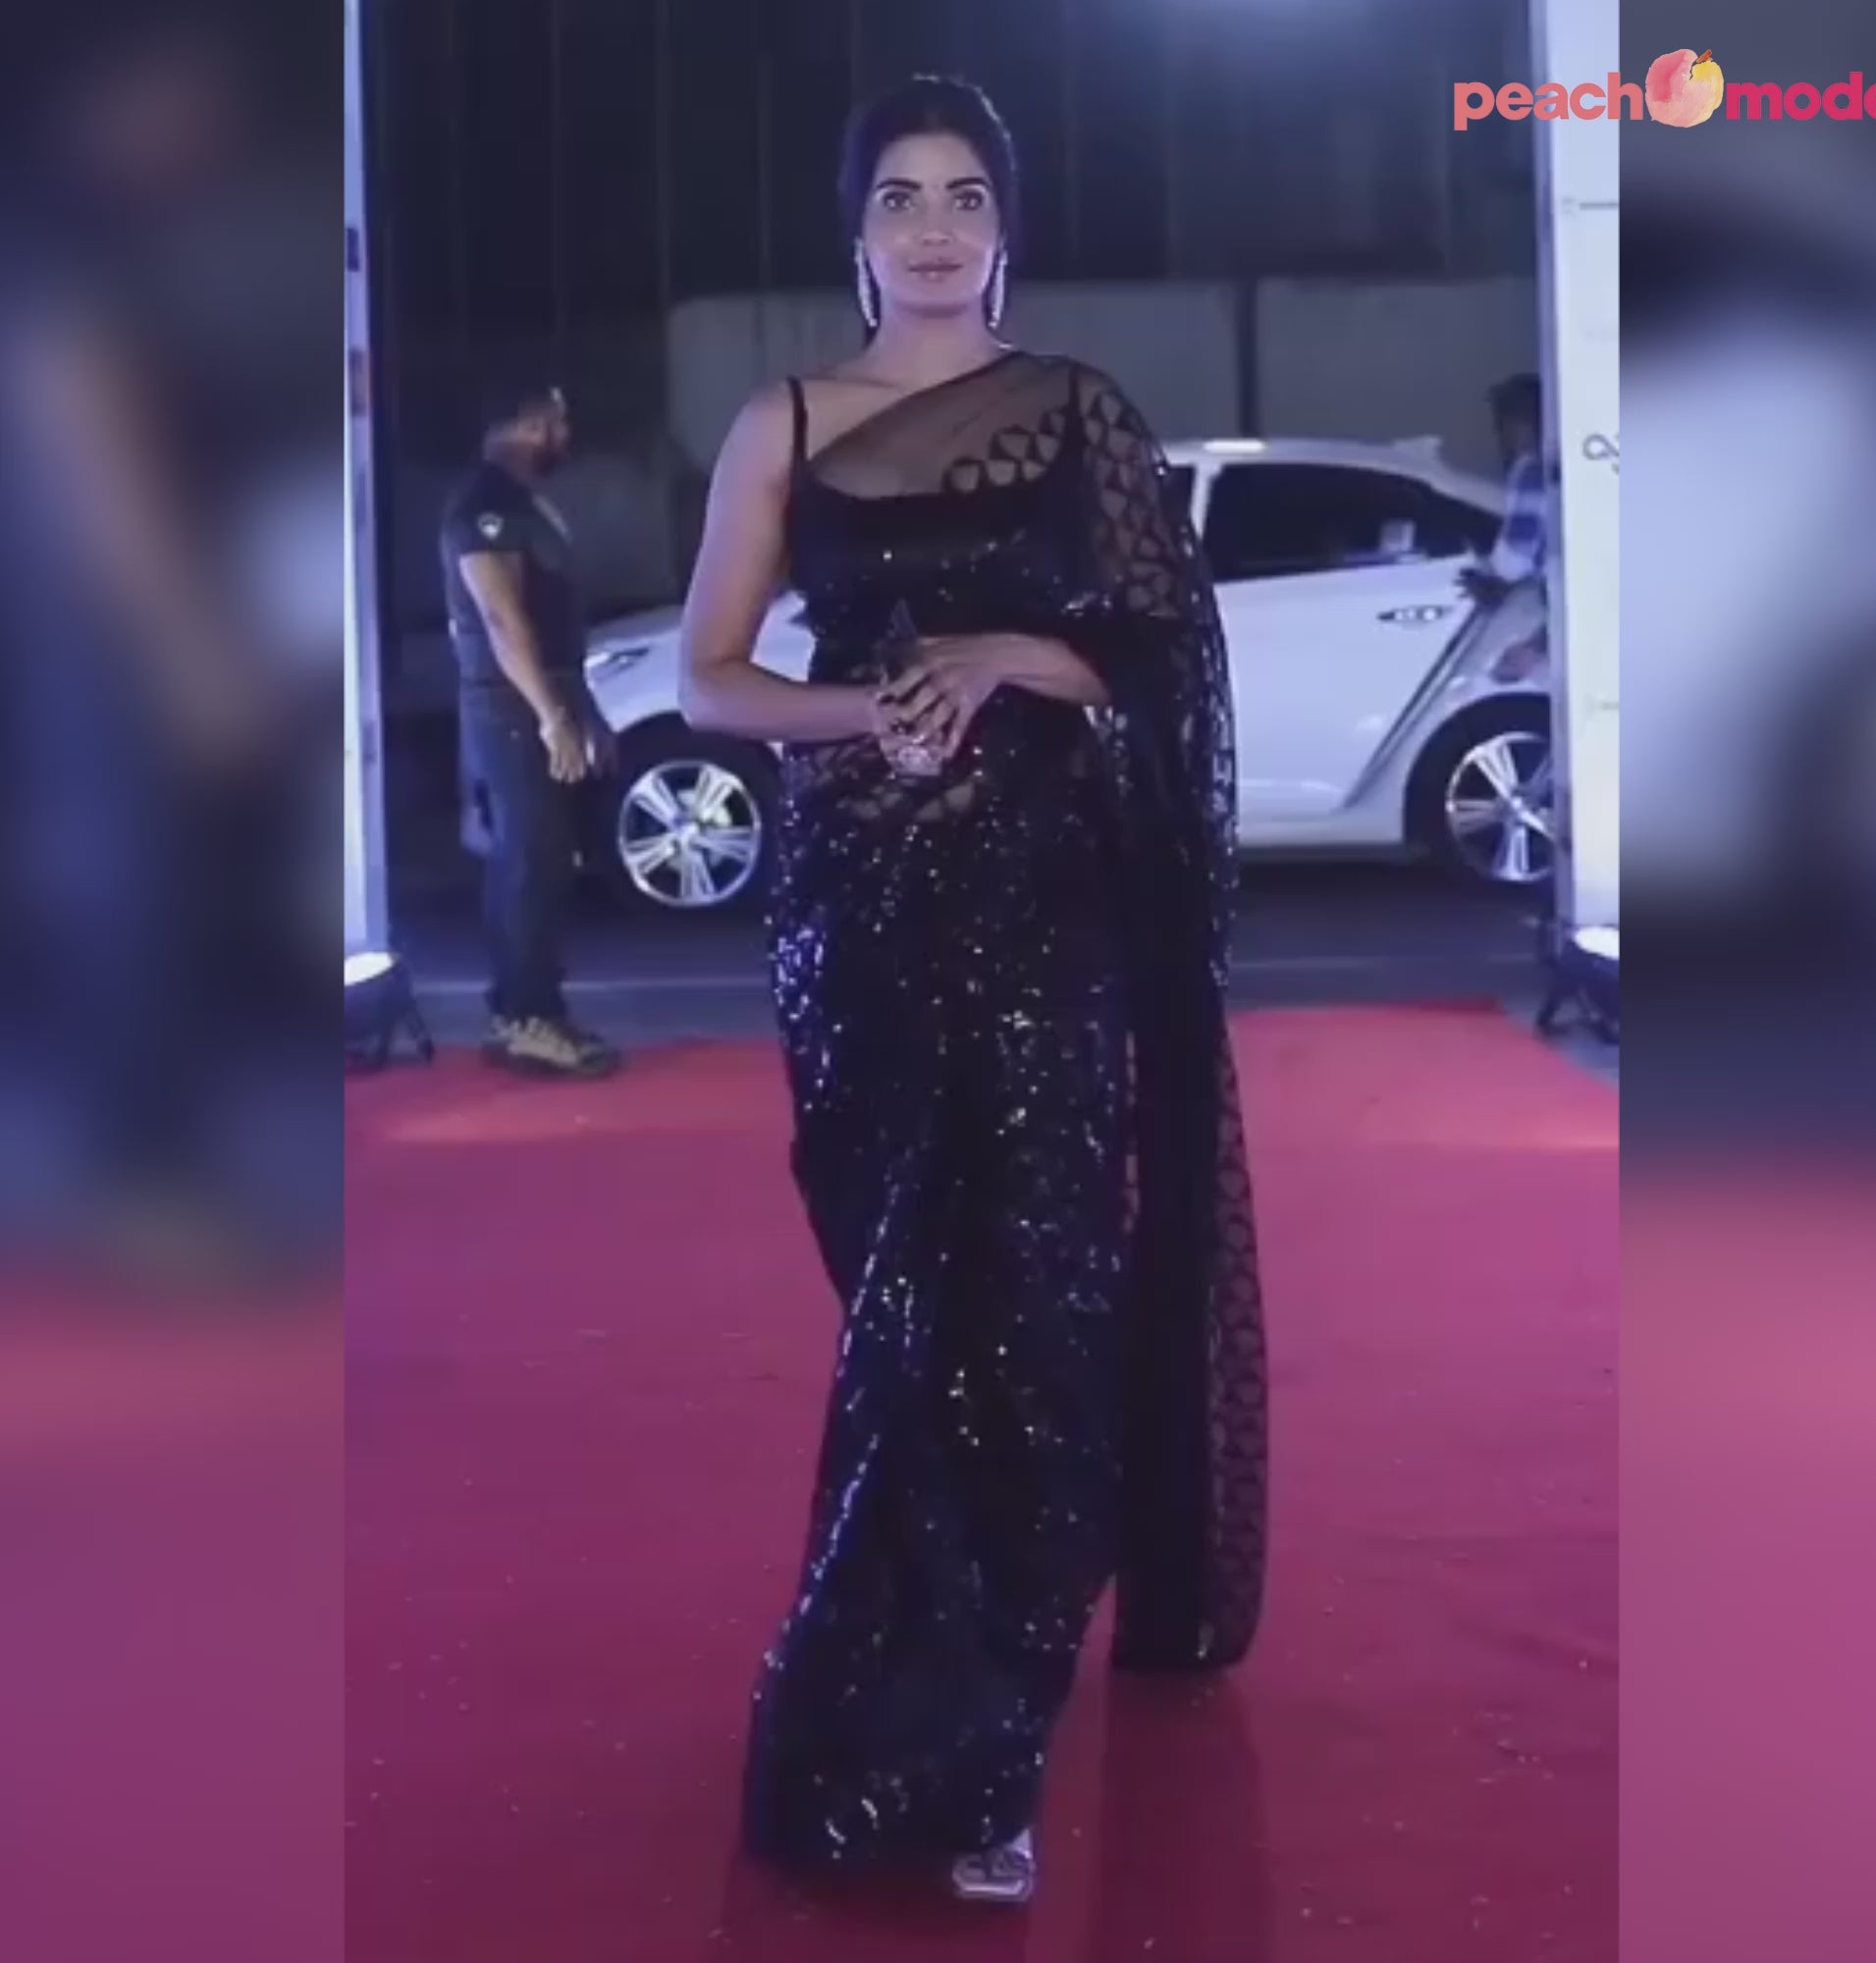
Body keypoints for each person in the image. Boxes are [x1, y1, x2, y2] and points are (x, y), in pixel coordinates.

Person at [678, 75, 1268, 1904]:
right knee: (911, 1324)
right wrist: (871, 708)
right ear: (854, 231)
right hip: (856, 924)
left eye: (963, 197)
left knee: (1041, 1308)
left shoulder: (1078, 411)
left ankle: (985, 1748)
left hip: (1047, 916)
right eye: (900, 198)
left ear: (1004, 227)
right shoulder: (784, 422)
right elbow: (708, 679)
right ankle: (888, 1701)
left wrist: (1014, 648)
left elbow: (1162, 650)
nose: (932, 228)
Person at [441, 379, 619, 1079]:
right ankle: (523, 1018)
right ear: (521, 426)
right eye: (552, 422)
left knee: (544, 861)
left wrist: (585, 710)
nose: (562, 435)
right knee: (526, 859)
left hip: (543, 694)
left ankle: (537, 1010)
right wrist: (550, 718)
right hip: (510, 706)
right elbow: (502, 620)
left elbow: (554, 622)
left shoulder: (520, 502)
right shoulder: (482, 504)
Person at [1460, 371, 1547, 608]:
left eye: (1502, 423)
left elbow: (1515, 558)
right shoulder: (1562, 463)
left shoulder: (1531, 469)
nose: (1500, 434)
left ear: (1522, 423)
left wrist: (1487, 574)